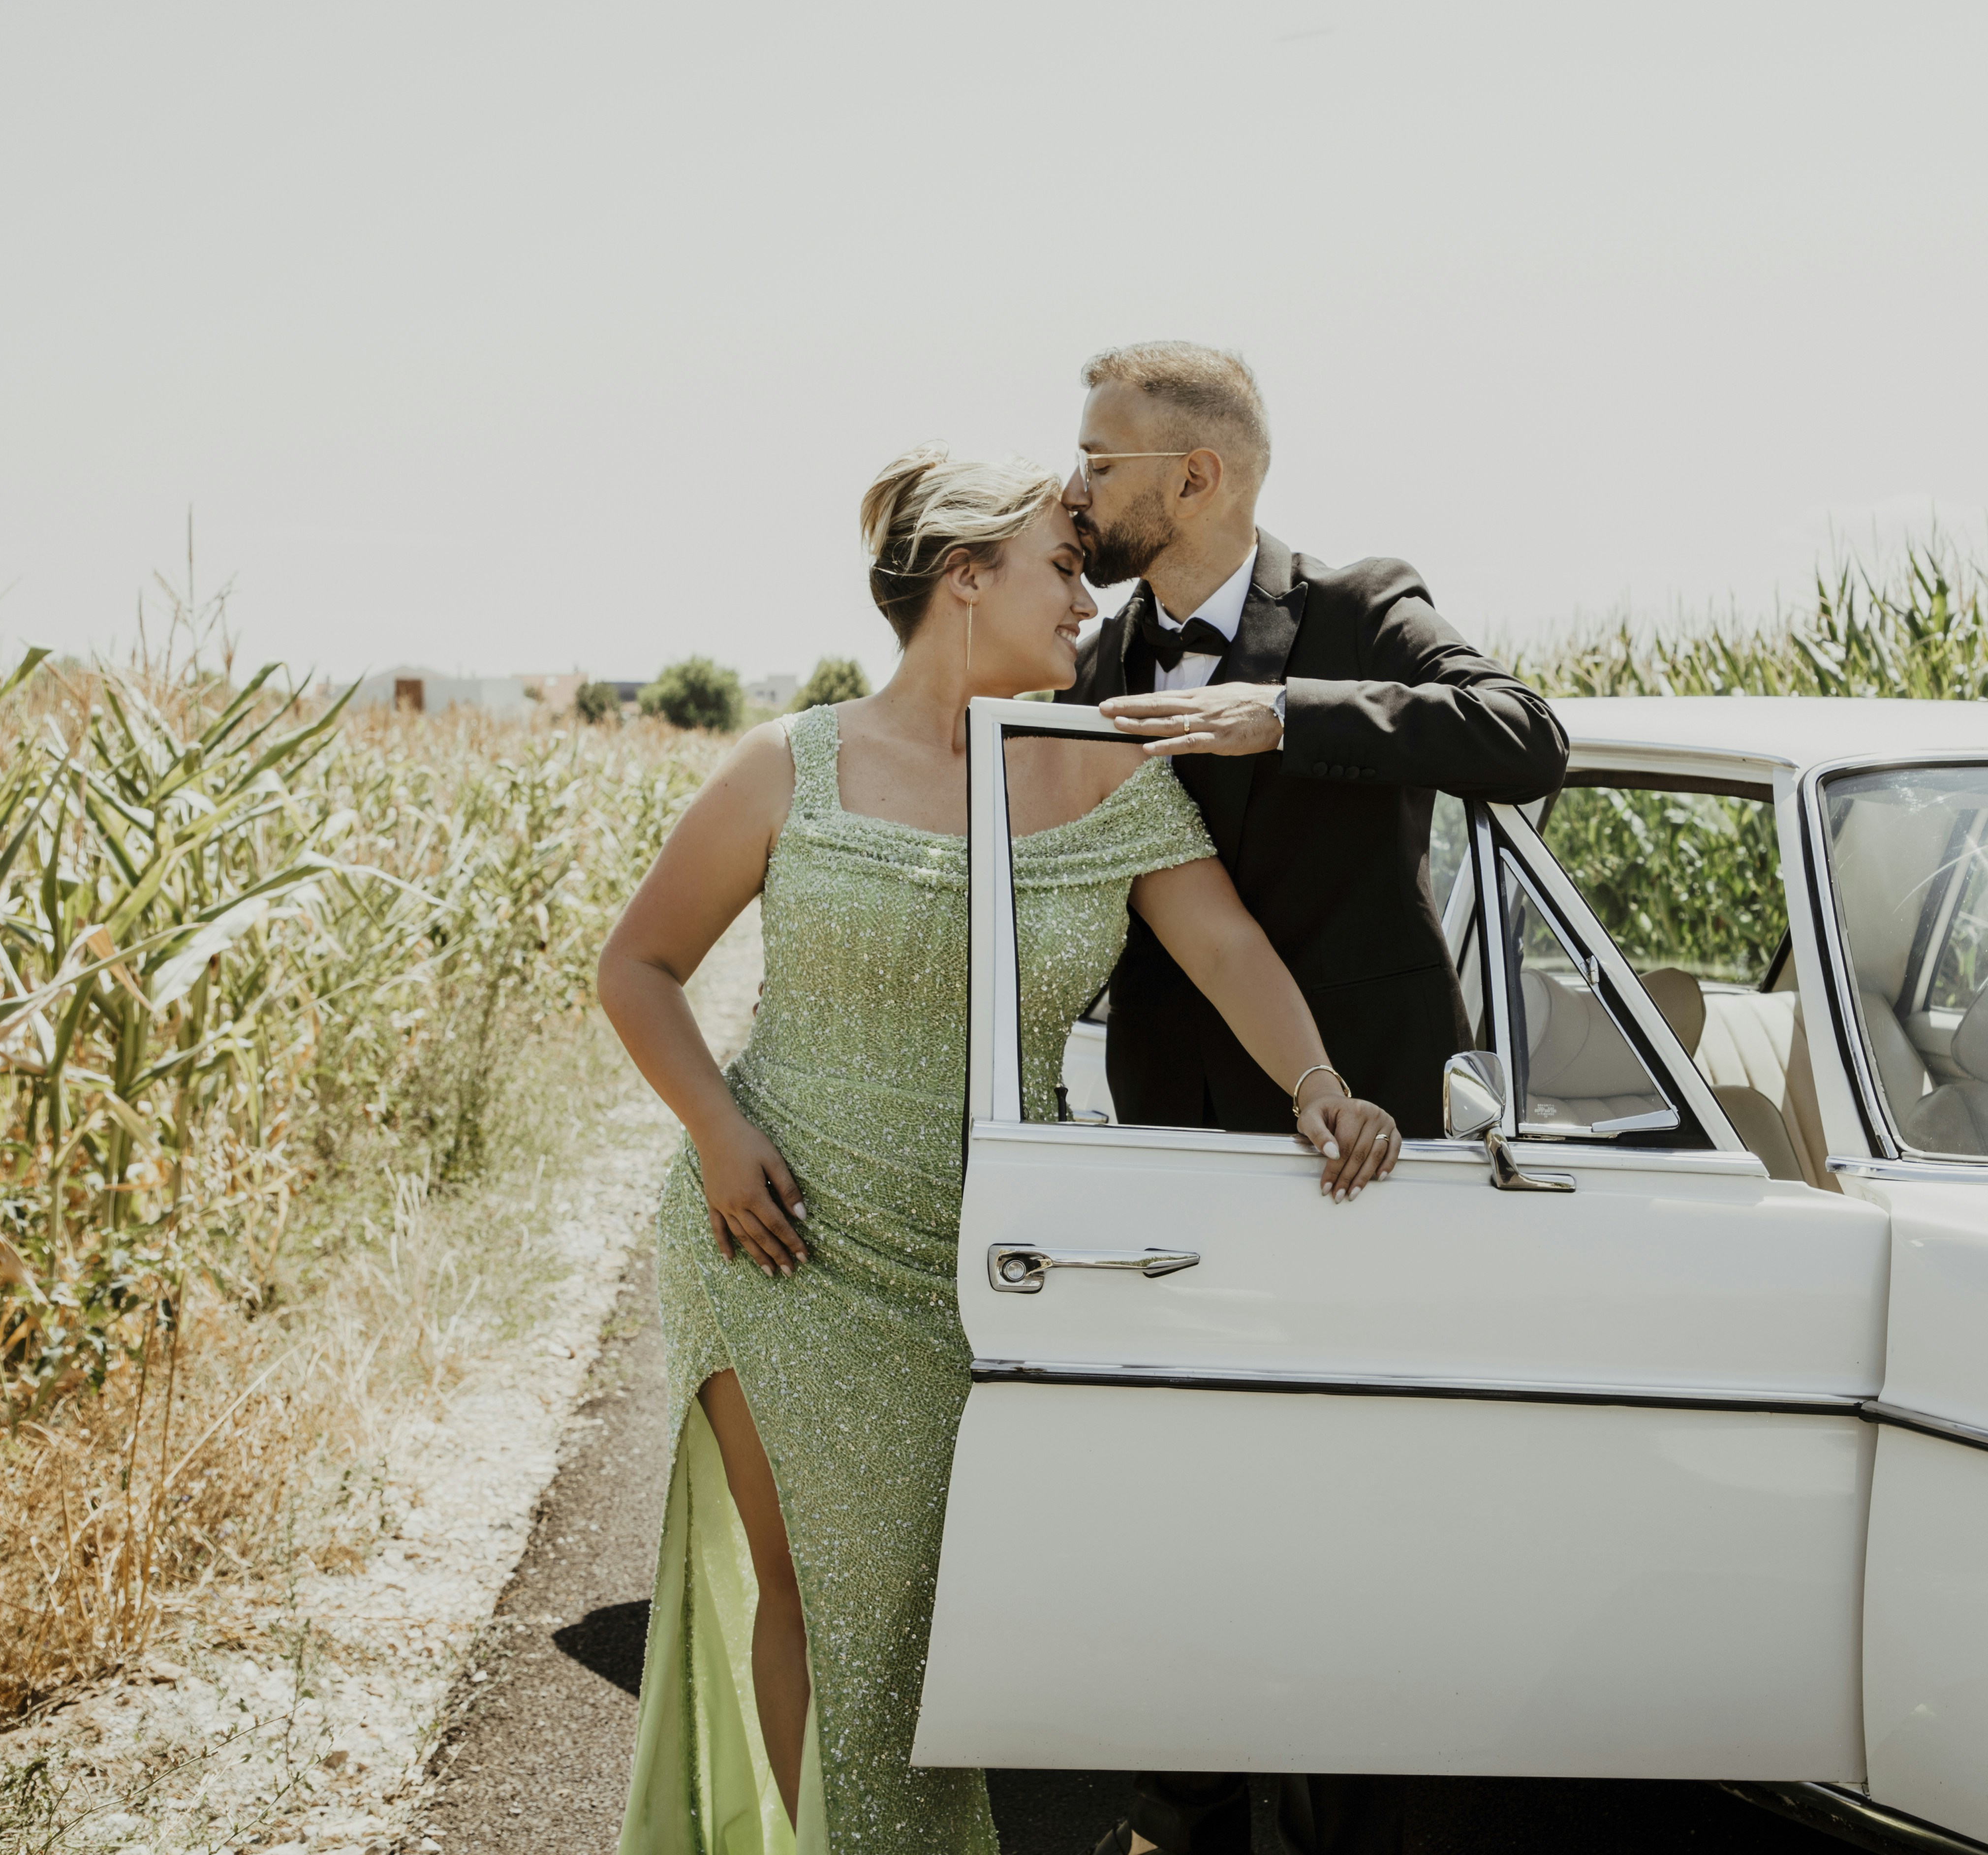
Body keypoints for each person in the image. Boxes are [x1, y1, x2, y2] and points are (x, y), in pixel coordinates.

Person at [598, 447, 1402, 1855]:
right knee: (822, 1601)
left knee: (922, 1614)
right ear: (964, 579)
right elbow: (641, 967)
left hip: (987, 1256)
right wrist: (719, 1136)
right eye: (1063, 567)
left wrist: (1320, 1082)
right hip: (777, 1237)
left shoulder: (1098, 768)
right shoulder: (796, 762)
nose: (1090, 600)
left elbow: (1222, 945)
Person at [1057, 343, 1569, 1855]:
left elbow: (1525, 737)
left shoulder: (1356, 609)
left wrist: (1285, 716)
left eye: (1099, 461)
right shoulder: (1095, 660)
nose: (1074, 490)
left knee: (1366, 1493)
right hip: (1171, 1130)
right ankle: (1190, 1812)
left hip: (1368, 1135)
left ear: (1196, 476)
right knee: (1189, 1478)